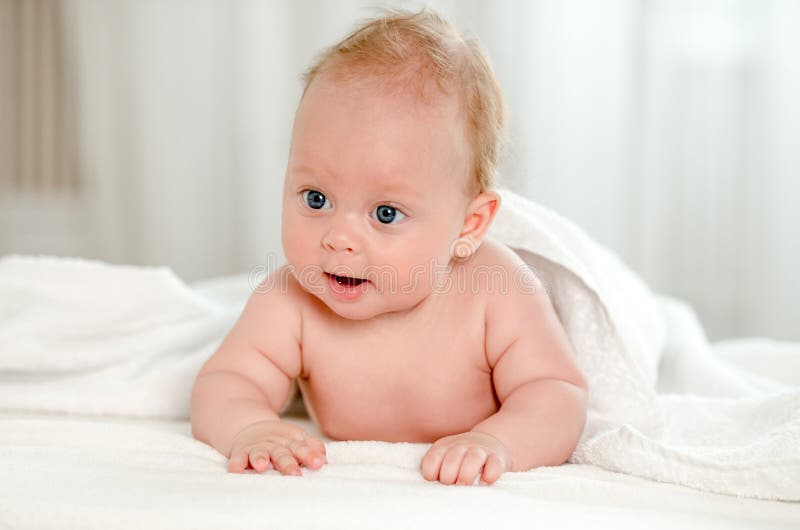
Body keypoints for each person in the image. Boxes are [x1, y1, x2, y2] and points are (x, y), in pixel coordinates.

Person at [190, 8, 587, 487]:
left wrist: (499, 441)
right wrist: (250, 427)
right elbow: (225, 382)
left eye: (385, 214)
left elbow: (556, 391)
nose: (338, 238)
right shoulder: (291, 300)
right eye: (316, 199)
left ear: (469, 224)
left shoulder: (495, 290)